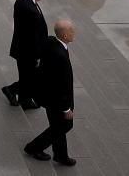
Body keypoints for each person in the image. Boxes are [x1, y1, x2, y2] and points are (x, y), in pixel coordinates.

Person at [24, 20, 77, 167]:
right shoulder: (60, 55)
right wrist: (66, 108)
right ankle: (33, 147)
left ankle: (61, 155)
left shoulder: (51, 41)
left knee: (57, 125)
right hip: (56, 100)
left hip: (47, 96)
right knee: (64, 125)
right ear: (65, 35)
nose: (75, 33)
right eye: (72, 31)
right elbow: (62, 86)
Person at [2, 0, 48, 110]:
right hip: (27, 52)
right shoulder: (30, 10)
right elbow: (32, 37)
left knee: (28, 76)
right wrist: (39, 55)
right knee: (29, 77)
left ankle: (24, 99)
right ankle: (11, 90)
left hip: (22, 48)